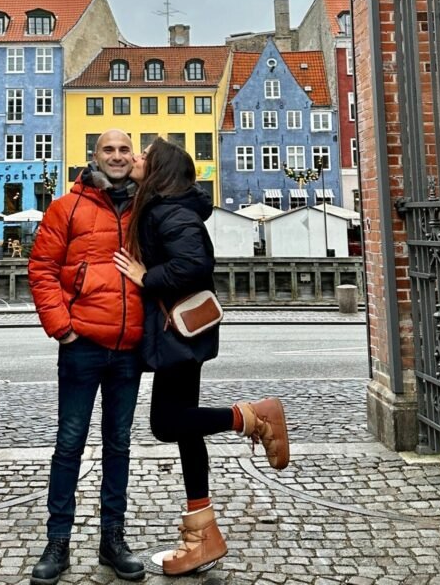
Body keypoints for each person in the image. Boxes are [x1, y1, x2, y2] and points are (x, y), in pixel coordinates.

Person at [113, 138, 289, 577]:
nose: (135, 157)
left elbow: (193, 265)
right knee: (187, 429)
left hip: (178, 334)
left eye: (144, 155)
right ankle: (202, 534)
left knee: (167, 423)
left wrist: (145, 277)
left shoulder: (171, 212)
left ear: (160, 170)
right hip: (179, 333)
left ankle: (252, 416)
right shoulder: (164, 205)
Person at [27, 129, 145, 585]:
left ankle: (113, 539)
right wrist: (63, 328)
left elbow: (191, 211)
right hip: (82, 345)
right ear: (93, 157)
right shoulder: (67, 207)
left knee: (119, 444)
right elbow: (41, 268)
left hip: (128, 347)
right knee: (69, 442)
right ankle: (57, 541)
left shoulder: (145, 208)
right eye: (108, 150)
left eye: (124, 150)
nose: (116, 156)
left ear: (133, 157)